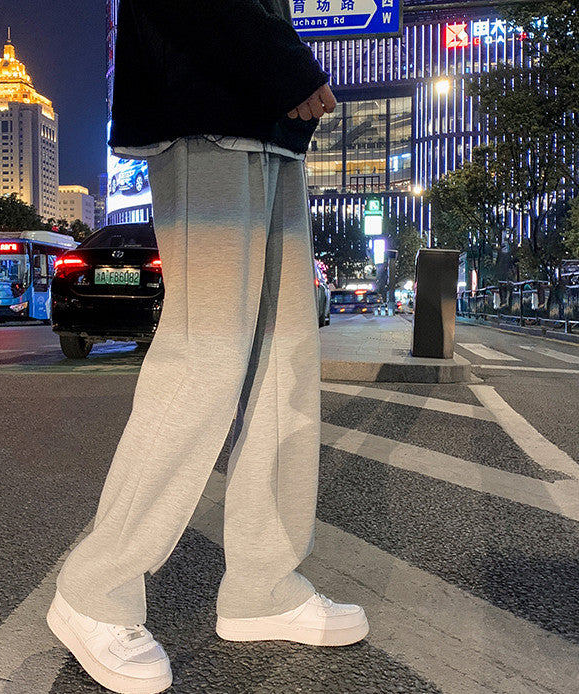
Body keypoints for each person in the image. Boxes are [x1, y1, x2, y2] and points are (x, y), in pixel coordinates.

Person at [47, 2, 369, 693]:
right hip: (206, 100)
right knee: (207, 356)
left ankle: (263, 587)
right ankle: (94, 589)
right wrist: (283, 63)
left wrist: (280, 77)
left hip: (269, 124)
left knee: (282, 361)